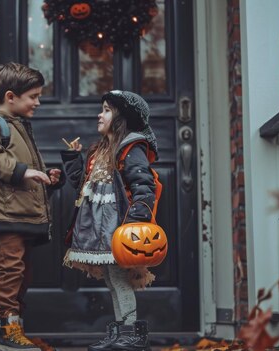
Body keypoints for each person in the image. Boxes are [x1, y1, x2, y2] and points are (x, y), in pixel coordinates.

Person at [0, 62, 63, 351]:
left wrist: (47, 177)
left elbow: (27, 168)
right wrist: (23, 171)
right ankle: (5, 331)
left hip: (20, 214)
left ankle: (15, 329)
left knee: (22, 274)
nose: (38, 102)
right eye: (33, 96)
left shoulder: (19, 127)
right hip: (3, 213)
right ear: (11, 96)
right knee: (11, 271)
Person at [61, 90, 159, 351]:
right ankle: (121, 333)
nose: (99, 114)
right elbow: (81, 185)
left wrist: (136, 221)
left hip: (118, 227)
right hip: (99, 229)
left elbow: (143, 185)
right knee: (111, 278)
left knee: (118, 278)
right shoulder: (99, 150)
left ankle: (131, 334)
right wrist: (73, 158)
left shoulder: (130, 148)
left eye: (105, 109)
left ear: (120, 117)